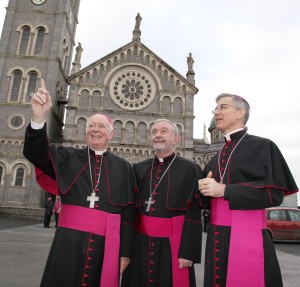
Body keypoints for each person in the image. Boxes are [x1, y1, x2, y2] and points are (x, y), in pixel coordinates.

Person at [23, 79, 135, 287]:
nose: (95, 129)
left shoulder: (124, 168)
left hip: (106, 245)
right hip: (68, 242)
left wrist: (125, 253)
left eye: (101, 126)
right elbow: (35, 154)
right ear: (85, 133)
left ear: (111, 133)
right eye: (91, 125)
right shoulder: (68, 157)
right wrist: (39, 119)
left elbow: (128, 215)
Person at [198, 93, 298, 287]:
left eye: (222, 107)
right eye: (215, 108)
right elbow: (206, 201)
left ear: (240, 112)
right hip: (217, 238)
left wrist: (225, 190)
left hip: (247, 237)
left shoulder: (263, 146)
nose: (216, 112)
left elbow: (274, 195)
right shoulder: (216, 156)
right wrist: (202, 191)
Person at [121, 119, 205, 287]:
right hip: (139, 244)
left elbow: (194, 212)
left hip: (173, 245)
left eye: (164, 131)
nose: (158, 135)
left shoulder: (190, 169)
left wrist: (188, 252)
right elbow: (129, 212)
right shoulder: (138, 169)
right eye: (154, 132)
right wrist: (125, 251)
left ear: (176, 139)